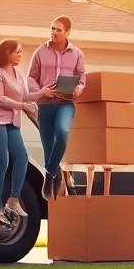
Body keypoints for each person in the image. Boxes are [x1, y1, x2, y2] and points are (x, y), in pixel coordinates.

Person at [0, 39, 46, 226]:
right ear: (6, 53)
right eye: (16, 51)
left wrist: (42, 93)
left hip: (11, 122)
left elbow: (24, 96)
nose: (19, 55)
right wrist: (24, 105)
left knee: (22, 158)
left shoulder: (19, 73)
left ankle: (13, 199)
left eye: (20, 52)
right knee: (3, 161)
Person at [27, 15, 86, 199]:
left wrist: (79, 88)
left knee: (62, 132)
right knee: (48, 147)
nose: (53, 32)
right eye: (52, 28)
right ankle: (56, 181)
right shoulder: (40, 51)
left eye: (58, 30)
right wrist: (41, 91)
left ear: (67, 32)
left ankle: (49, 175)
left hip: (65, 103)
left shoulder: (77, 54)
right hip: (45, 105)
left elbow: (82, 77)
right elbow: (30, 77)